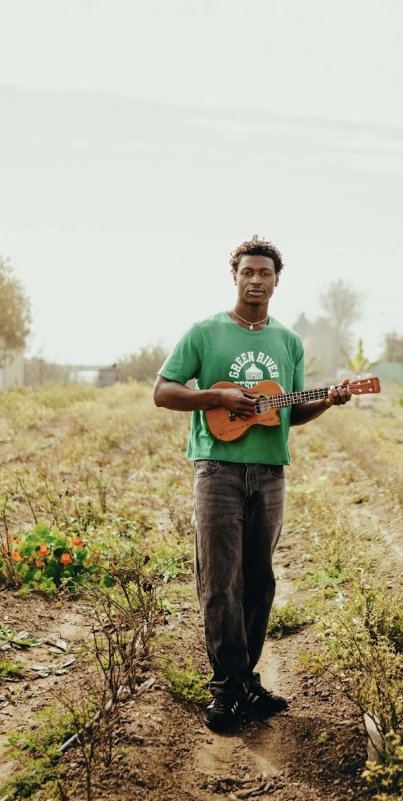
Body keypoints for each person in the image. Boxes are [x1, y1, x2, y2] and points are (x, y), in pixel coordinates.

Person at [153, 235, 352, 732]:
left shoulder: (288, 342)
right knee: (221, 584)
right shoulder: (204, 332)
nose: (256, 280)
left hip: (269, 473)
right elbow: (163, 391)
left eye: (265, 273)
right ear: (236, 276)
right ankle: (226, 691)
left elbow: (287, 413)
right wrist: (216, 396)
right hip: (217, 469)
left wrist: (326, 400)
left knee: (260, 583)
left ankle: (243, 682)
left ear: (277, 280)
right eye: (248, 272)